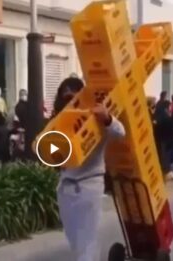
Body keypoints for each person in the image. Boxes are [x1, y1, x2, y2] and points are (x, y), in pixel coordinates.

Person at [52, 77, 126, 261]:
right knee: (76, 242)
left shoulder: (95, 118)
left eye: (73, 96)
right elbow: (52, 155)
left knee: (88, 245)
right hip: (66, 187)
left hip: (89, 186)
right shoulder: (59, 123)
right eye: (65, 97)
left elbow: (120, 132)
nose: (69, 101)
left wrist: (107, 118)